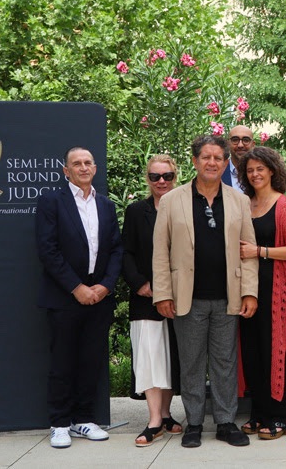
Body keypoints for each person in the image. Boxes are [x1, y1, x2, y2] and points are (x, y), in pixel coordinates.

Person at [152, 135, 258, 448]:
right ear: (195, 161)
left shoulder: (239, 200)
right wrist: (163, 294)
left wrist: (249, 292)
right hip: (187, 298)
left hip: (228, 297)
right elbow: (160, 251)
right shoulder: (172, 200)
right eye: (206, 157)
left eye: (217, 158)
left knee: (226, 363)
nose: (212, 162)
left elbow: (248, 251)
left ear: (225, 163)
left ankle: (225, 423)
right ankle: (194, 424)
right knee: (192, 363)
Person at [35, 146, 122, 449]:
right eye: (77, 163)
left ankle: (84, 419)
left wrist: (105, 286)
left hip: (99, 297)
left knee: (90, 361)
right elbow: (47, 249)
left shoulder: (106, 205)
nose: (83, 167)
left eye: (88, 163)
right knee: (63, 362)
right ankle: (59, 423)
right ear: (66, 171)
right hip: (64, 296)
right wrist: (76, 287)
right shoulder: (51, 201)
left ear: (94, 168)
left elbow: (116, 249)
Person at [237, 147, 286, 440]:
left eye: (260, 169)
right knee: (252, 352)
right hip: (247, 288)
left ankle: (282, 417)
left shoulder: (284, 205)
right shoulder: (245, 203)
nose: (255, 174)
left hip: (277, 288)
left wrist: (259, 251)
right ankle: (260, 413)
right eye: (250, 170)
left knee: (276, 350)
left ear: (272, 171)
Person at [122, 154, 183, 447]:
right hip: (146, 296)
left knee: (172, 357)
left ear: (175, 177)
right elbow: (126, 252)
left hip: (181, 296)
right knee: (150, 356)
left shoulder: (186, 209)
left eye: (167, 176)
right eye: (155, 176)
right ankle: (154, 420)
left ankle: (167, 413)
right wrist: (139, 284)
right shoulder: (136, 211)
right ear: (147, 179)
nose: (161, 181)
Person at [222, 125, 254, 191]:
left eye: (246, 140)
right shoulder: (218, 173)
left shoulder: (261, 174)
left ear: (253, 144)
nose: (240, 145)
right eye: (235, 140)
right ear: (228, 144)